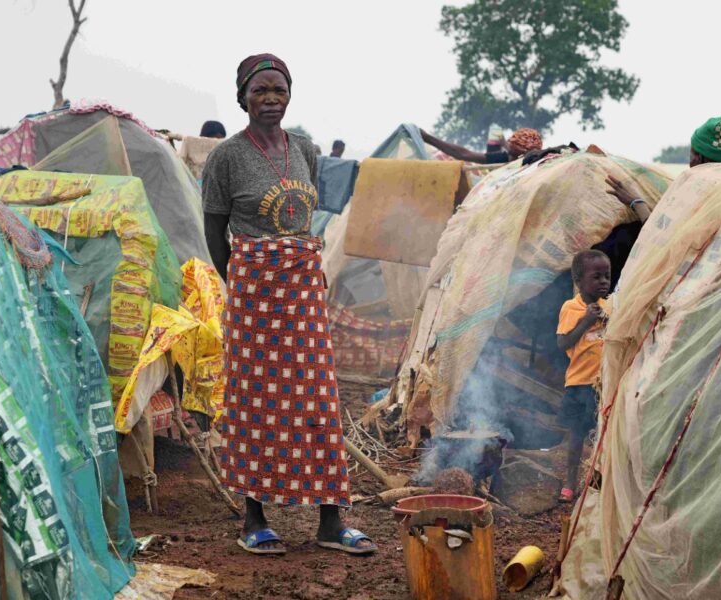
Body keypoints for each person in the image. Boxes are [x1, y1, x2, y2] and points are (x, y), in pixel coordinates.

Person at [201, 53, 377, 556]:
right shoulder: (226, 158)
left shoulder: (304, 149)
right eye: (260, 91)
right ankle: (254, 517)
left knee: (317, 398)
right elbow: (215, 232)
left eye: (279, 89)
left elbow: (305, 219)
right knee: (256, 401)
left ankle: (330, 520)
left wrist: (298, 271)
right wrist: (243, 281)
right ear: (242, 98)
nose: (271, 99)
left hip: (302, 289)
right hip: (254, 292)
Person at [608, 110, 721, 221]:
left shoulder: (695, 189)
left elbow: (659, 237)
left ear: (698, 157)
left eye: (691, 153)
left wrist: (636, 202)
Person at [556, 250, 612, 502]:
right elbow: (562, 343)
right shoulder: (572, 307)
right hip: (580, 384)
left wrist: (607, 320)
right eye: (596, 277)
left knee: (602, 435)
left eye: (607, 276)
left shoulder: (608, 307)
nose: (604, 282)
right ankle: (570, 484)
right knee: (577, 436)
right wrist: (586, 321)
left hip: (604, 385)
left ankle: (596, 484)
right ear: (579, 281)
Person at [420, 128, 543, 164]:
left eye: (519, 156)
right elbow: (463, 154)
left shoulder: (538, 160)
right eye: (513, 155)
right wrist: (427, 138)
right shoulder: (504, 158)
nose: (514, 160)